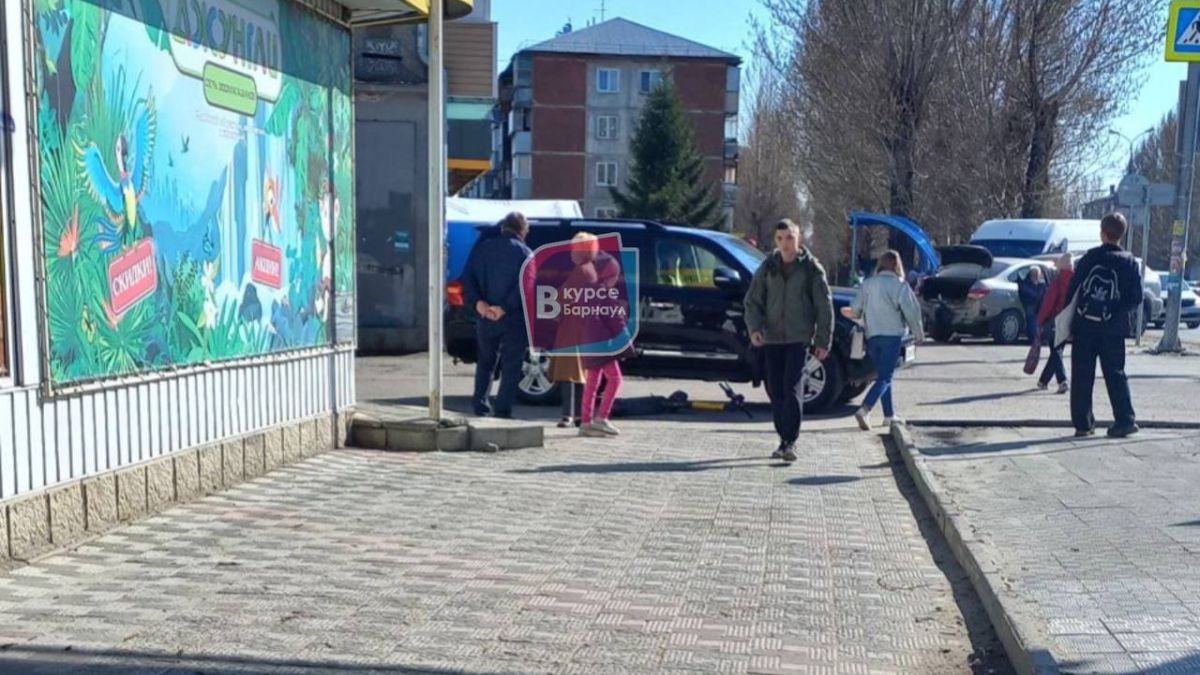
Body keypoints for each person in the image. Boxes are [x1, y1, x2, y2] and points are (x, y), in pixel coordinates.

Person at [744, 219, 834, 462]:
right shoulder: (768, 267)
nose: (786, 244)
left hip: (798, 338)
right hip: (771, 338)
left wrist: (823, 341)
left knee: (791, 386)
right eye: (781, 238)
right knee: (774, 388)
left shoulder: (811, 269)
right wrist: (755, 328)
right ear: (776, 240)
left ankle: (790, 441)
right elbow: (753, 301)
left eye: (790, 238)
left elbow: (824, 307)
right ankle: (782, 438)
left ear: (799, 239)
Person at [1066, 213, 1142, 438]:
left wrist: (1068, 321)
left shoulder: (1089, 258)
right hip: (1114, 328)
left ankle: (1083, 424)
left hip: (1085, 325)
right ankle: (1125, 420)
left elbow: (1073, 290)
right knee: (1115, 373)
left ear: (1102, 233)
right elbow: (1136, 297)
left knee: (1081, 375)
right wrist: (1116, 311)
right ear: (1122, 235)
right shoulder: (1129, 263)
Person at [844, 250, 924, 430]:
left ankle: (889, 415)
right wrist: (918, 333)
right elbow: (912, 311)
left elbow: (855, 309)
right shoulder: (900, 286)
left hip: (872, 336)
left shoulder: (868, 284)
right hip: (892, 336)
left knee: (882, 377)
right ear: (897, 266)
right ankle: (865, 409)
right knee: (886, 377)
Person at [463, 212, 533, 419]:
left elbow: (468, 278)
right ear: (523, 230)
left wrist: (480, 304)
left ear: (503, 227)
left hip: (485, 316)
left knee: (485, 362)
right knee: (511, 365)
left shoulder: (482, 249)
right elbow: (526, 287)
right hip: (514, 318)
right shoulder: (526, 253)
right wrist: (504, 307)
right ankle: (502, 410)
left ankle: (480, 406)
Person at [567, 233, 629, 438]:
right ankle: (601, 418)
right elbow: (607, 314)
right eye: (613, 277)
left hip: (585, 337)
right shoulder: (596, 283)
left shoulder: (580, 274)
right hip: (599, 340)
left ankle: (586, 421)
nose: (614, 280)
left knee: (593, 379)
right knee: (615, 378)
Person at [1035, 253, 1074, 394]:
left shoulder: (1057, 282)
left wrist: (1040, 321)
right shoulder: (1076, 282)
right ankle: (1043, 380)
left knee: (1056, 350)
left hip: (1055, 320)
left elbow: (1048, 303)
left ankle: (1062, 380)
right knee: (1057, 351)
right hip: (1070, 321)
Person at [1018, 266, 1048, 343]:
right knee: (1031, 319)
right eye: (1033, 274)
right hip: (1030, 305)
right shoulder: (1026, 283)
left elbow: (1043, 294)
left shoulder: (1042, 284)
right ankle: (1033, 337)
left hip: (1040, 306)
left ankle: (1041, 337)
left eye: (1037, 274)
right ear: (1030, 274)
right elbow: (1029, 293)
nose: (1035, 276)